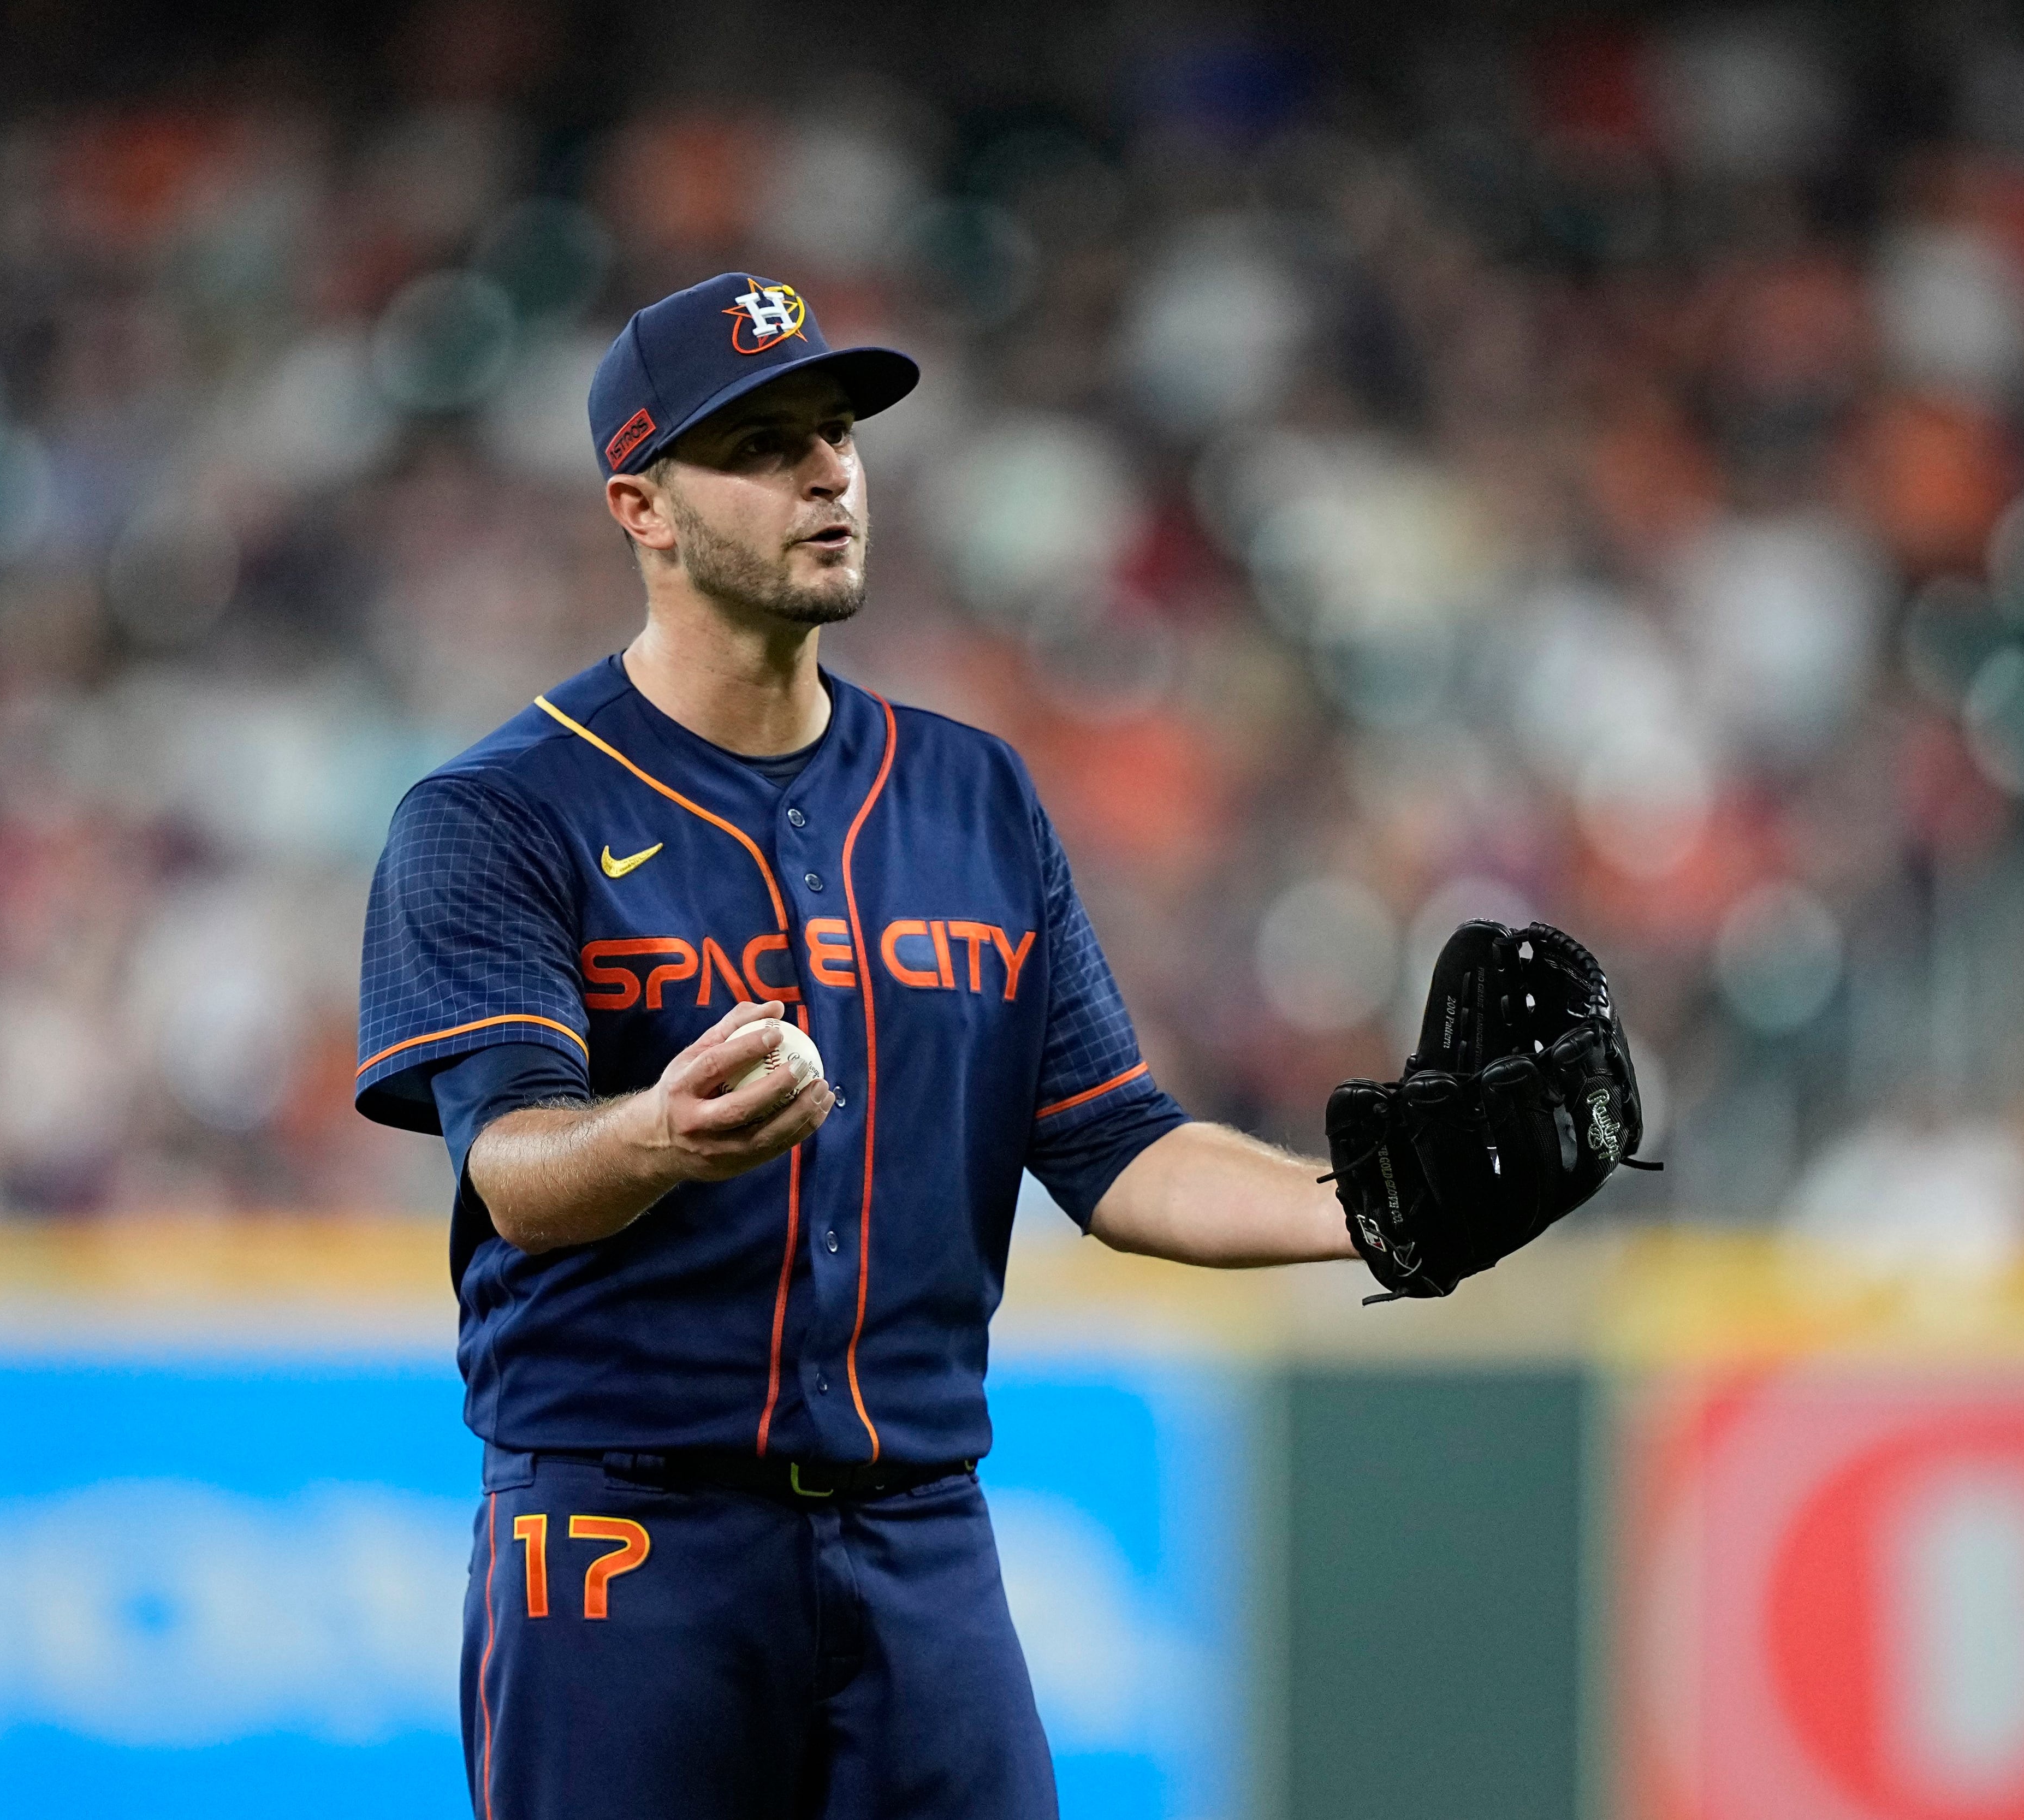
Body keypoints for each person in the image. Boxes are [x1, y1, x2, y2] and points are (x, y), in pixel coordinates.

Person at [355, 272, 1352, 1820]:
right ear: (643, 505)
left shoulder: (974, 796)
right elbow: (517, 1166)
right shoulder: (500, 814)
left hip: (920, 1540)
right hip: (627, 1538)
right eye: (760, 444)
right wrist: (660, 1136)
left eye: (835, 431)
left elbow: (1111, 1144)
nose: (826, 471)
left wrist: (1366, 1206)